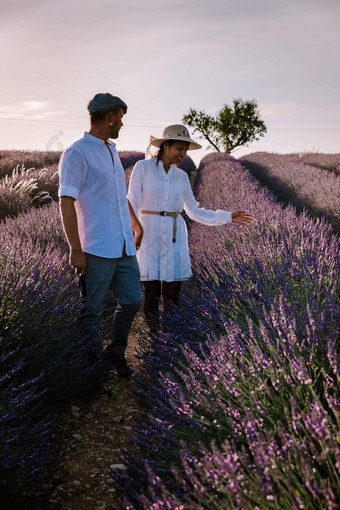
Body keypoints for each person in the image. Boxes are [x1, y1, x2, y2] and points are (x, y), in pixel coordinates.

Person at [127, 124, 254, 331]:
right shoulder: (143, 168)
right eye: (179, 148)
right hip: (149, 234)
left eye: (186, 150)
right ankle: (155, 338)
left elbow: (195, 211)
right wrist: (136, 230)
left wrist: (228, 216)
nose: (184, 154)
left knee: (172, 296)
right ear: (166, 145)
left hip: (175, 236)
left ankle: (170, 339)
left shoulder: (182, 177)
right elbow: (131, 201)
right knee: (151, 294)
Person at [58, 92, 143, 378]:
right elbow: (66, 201)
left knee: (132, 300)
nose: (122, 123)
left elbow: (120, 196)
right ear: (110, 116)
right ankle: (92, 372)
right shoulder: (76, 152)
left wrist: (135, 226)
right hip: (95, 247)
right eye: (120, 117)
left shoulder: (111, 151)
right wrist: (75, 248)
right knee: (91, 313)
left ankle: (115, 354)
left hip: (122, 245)